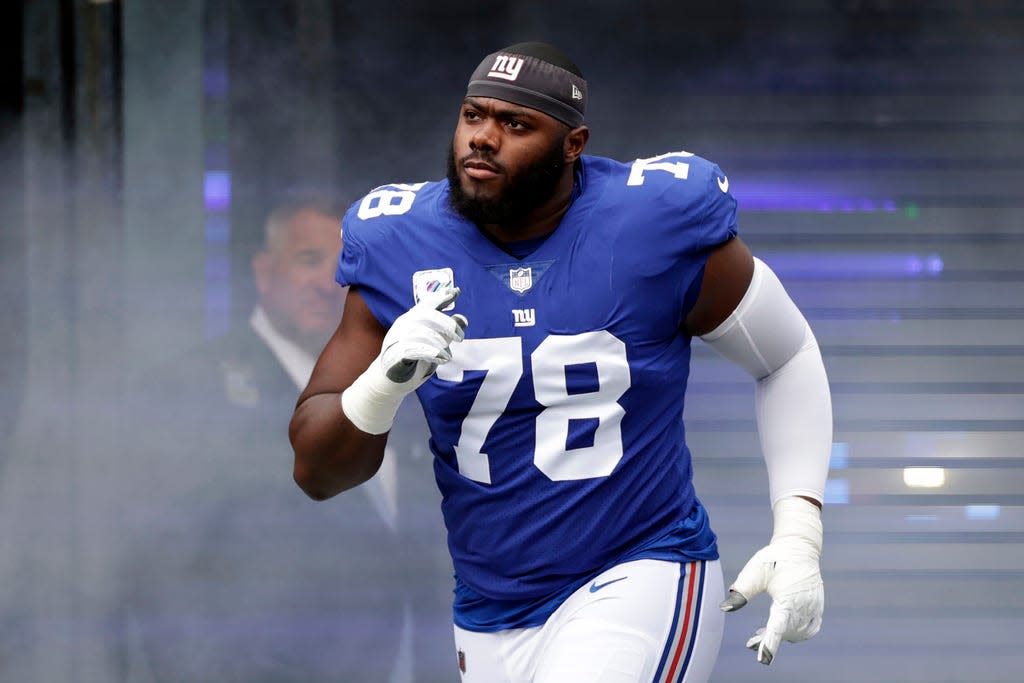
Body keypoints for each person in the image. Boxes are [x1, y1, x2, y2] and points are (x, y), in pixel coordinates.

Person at [290, 42, 833, 683]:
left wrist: (799, 532)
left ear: (573, 144)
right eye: (473, 115)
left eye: (516, 124)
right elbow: (316, 473)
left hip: (642, 567)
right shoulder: (396, 241)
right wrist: (382, 384)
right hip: (490, 606)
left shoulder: (651, 219)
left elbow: (786, 354)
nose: (483, 139)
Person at [121, 195, 451, 682]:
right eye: (307, 260)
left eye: (340, 267)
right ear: (264, 272)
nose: (325, 282)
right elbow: (165, 575)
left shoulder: (400, 377)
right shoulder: (194, 386)